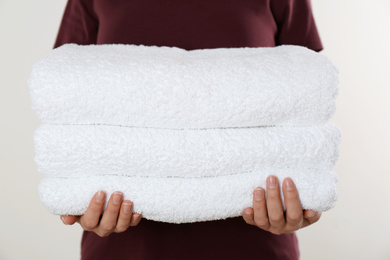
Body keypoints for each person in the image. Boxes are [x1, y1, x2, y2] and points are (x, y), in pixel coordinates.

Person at [55, 0, 323, 259]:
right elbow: (68, 90)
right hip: (121, 251)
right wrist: (81, 195)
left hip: (256, 249)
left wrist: (305, 196)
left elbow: (307, 91)